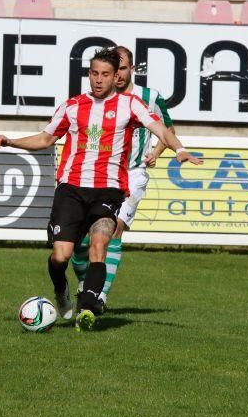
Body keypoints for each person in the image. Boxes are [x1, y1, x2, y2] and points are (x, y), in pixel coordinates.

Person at [0, 47, 201, 331]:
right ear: (88, 74)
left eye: (105, 74)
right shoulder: (73, 106)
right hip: (72, 189)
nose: (98, 79)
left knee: (100, 243)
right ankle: (61, 288)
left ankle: (87, 308)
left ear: (116, 76)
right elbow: (44, 139)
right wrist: (11, 141)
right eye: (94, 73)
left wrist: (180, 149)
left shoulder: (131, 104)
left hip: (109, 190)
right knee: (60, 256)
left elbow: (161, 129)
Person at [70, 46, 177, 310]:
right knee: (82, 241)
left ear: (131, 69)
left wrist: (157, 151)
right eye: (113, 69)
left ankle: (99, 296)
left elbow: (168, 128)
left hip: (133, 173)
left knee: (114, 229)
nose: (117, 74)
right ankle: (88, 284)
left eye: (122, 68)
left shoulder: (149, 97)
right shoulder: (97, 97)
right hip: (99, 174)